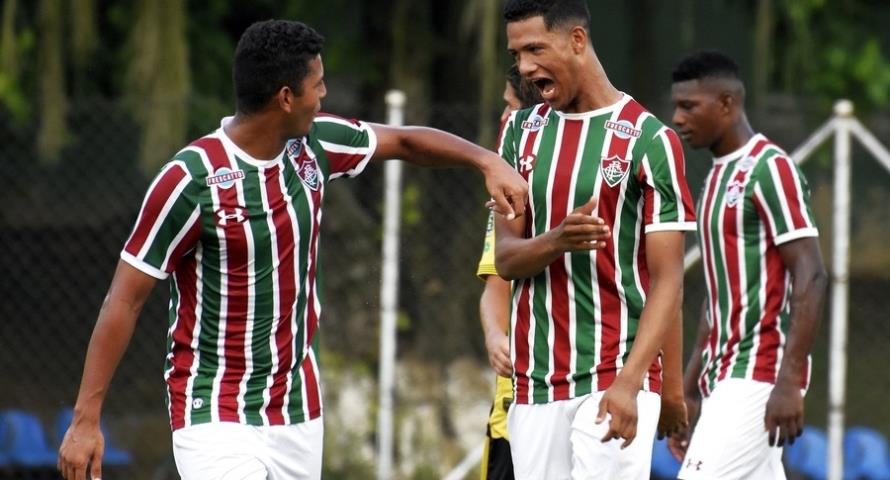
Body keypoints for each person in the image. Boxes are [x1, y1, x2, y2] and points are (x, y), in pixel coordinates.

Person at [56, 19, 528, 480]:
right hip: (215, 412)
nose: (324, 95)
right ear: (285, 98)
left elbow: (404, 140)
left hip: (299, 410)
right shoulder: (190, 180)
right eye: (317, 85)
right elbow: (124, 299)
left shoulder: (315, 145)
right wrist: (85, 419)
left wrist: (486, 161)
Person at [493, 1, 696, 478]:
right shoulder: (520, 133)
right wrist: (556, 241)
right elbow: (505, 259)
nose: (524, 67)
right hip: (534, 384)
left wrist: (639, 383)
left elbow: (668, 281)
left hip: (614, 374)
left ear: (577, 41)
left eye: (535, 49)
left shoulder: (649, 140)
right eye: (517, 53)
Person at [667, 50, 828, 479]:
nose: (678, 119)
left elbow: (810, 274)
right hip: (722, 375)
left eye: (689, 106)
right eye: (676, 107)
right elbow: (719, 297)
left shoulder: (770, 169)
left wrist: (790, 380)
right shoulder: (715, 178)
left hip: (759, 373)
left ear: (726, 103)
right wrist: (689, 387)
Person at [477, 64, 542, 480]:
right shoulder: (508, 200)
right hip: (511, 406)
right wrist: (495, 335)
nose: (504, 119)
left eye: (509, 106)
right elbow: (495, 287)